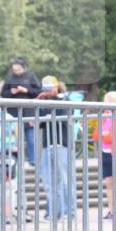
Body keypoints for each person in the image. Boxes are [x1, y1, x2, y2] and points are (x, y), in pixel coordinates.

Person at [35, 76, 75, 220]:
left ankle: (69, 212)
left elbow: (61, 116)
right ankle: (54, 212)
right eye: (45, 90)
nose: (48, 92)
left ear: (57, 87)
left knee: (66, 180)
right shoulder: (43, 101)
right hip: (47, 146)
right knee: (48, 182)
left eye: (50, 89)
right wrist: (41, 103)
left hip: (62, 145)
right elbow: (38, 122)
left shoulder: (65, 99)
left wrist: (49, 105)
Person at [94, 92, 116, 220]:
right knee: (108, 182)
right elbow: (95, 135)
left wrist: (104, 134)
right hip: (106, 152)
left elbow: (113, 135)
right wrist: (104, 134)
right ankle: (111, 210)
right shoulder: (105, 116)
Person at [0, 56, 41, 165]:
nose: (16, 72)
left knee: (31, 138)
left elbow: (38, 91)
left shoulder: (31, 76)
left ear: (23, 68)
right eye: (14, 70)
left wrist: (26, 90)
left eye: (18, 70)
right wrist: (11, 92)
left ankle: (33, 161)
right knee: (14, 139)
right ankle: (16, 161)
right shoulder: (9, 78)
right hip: (13, 113)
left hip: (28, 112)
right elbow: (3, 94)